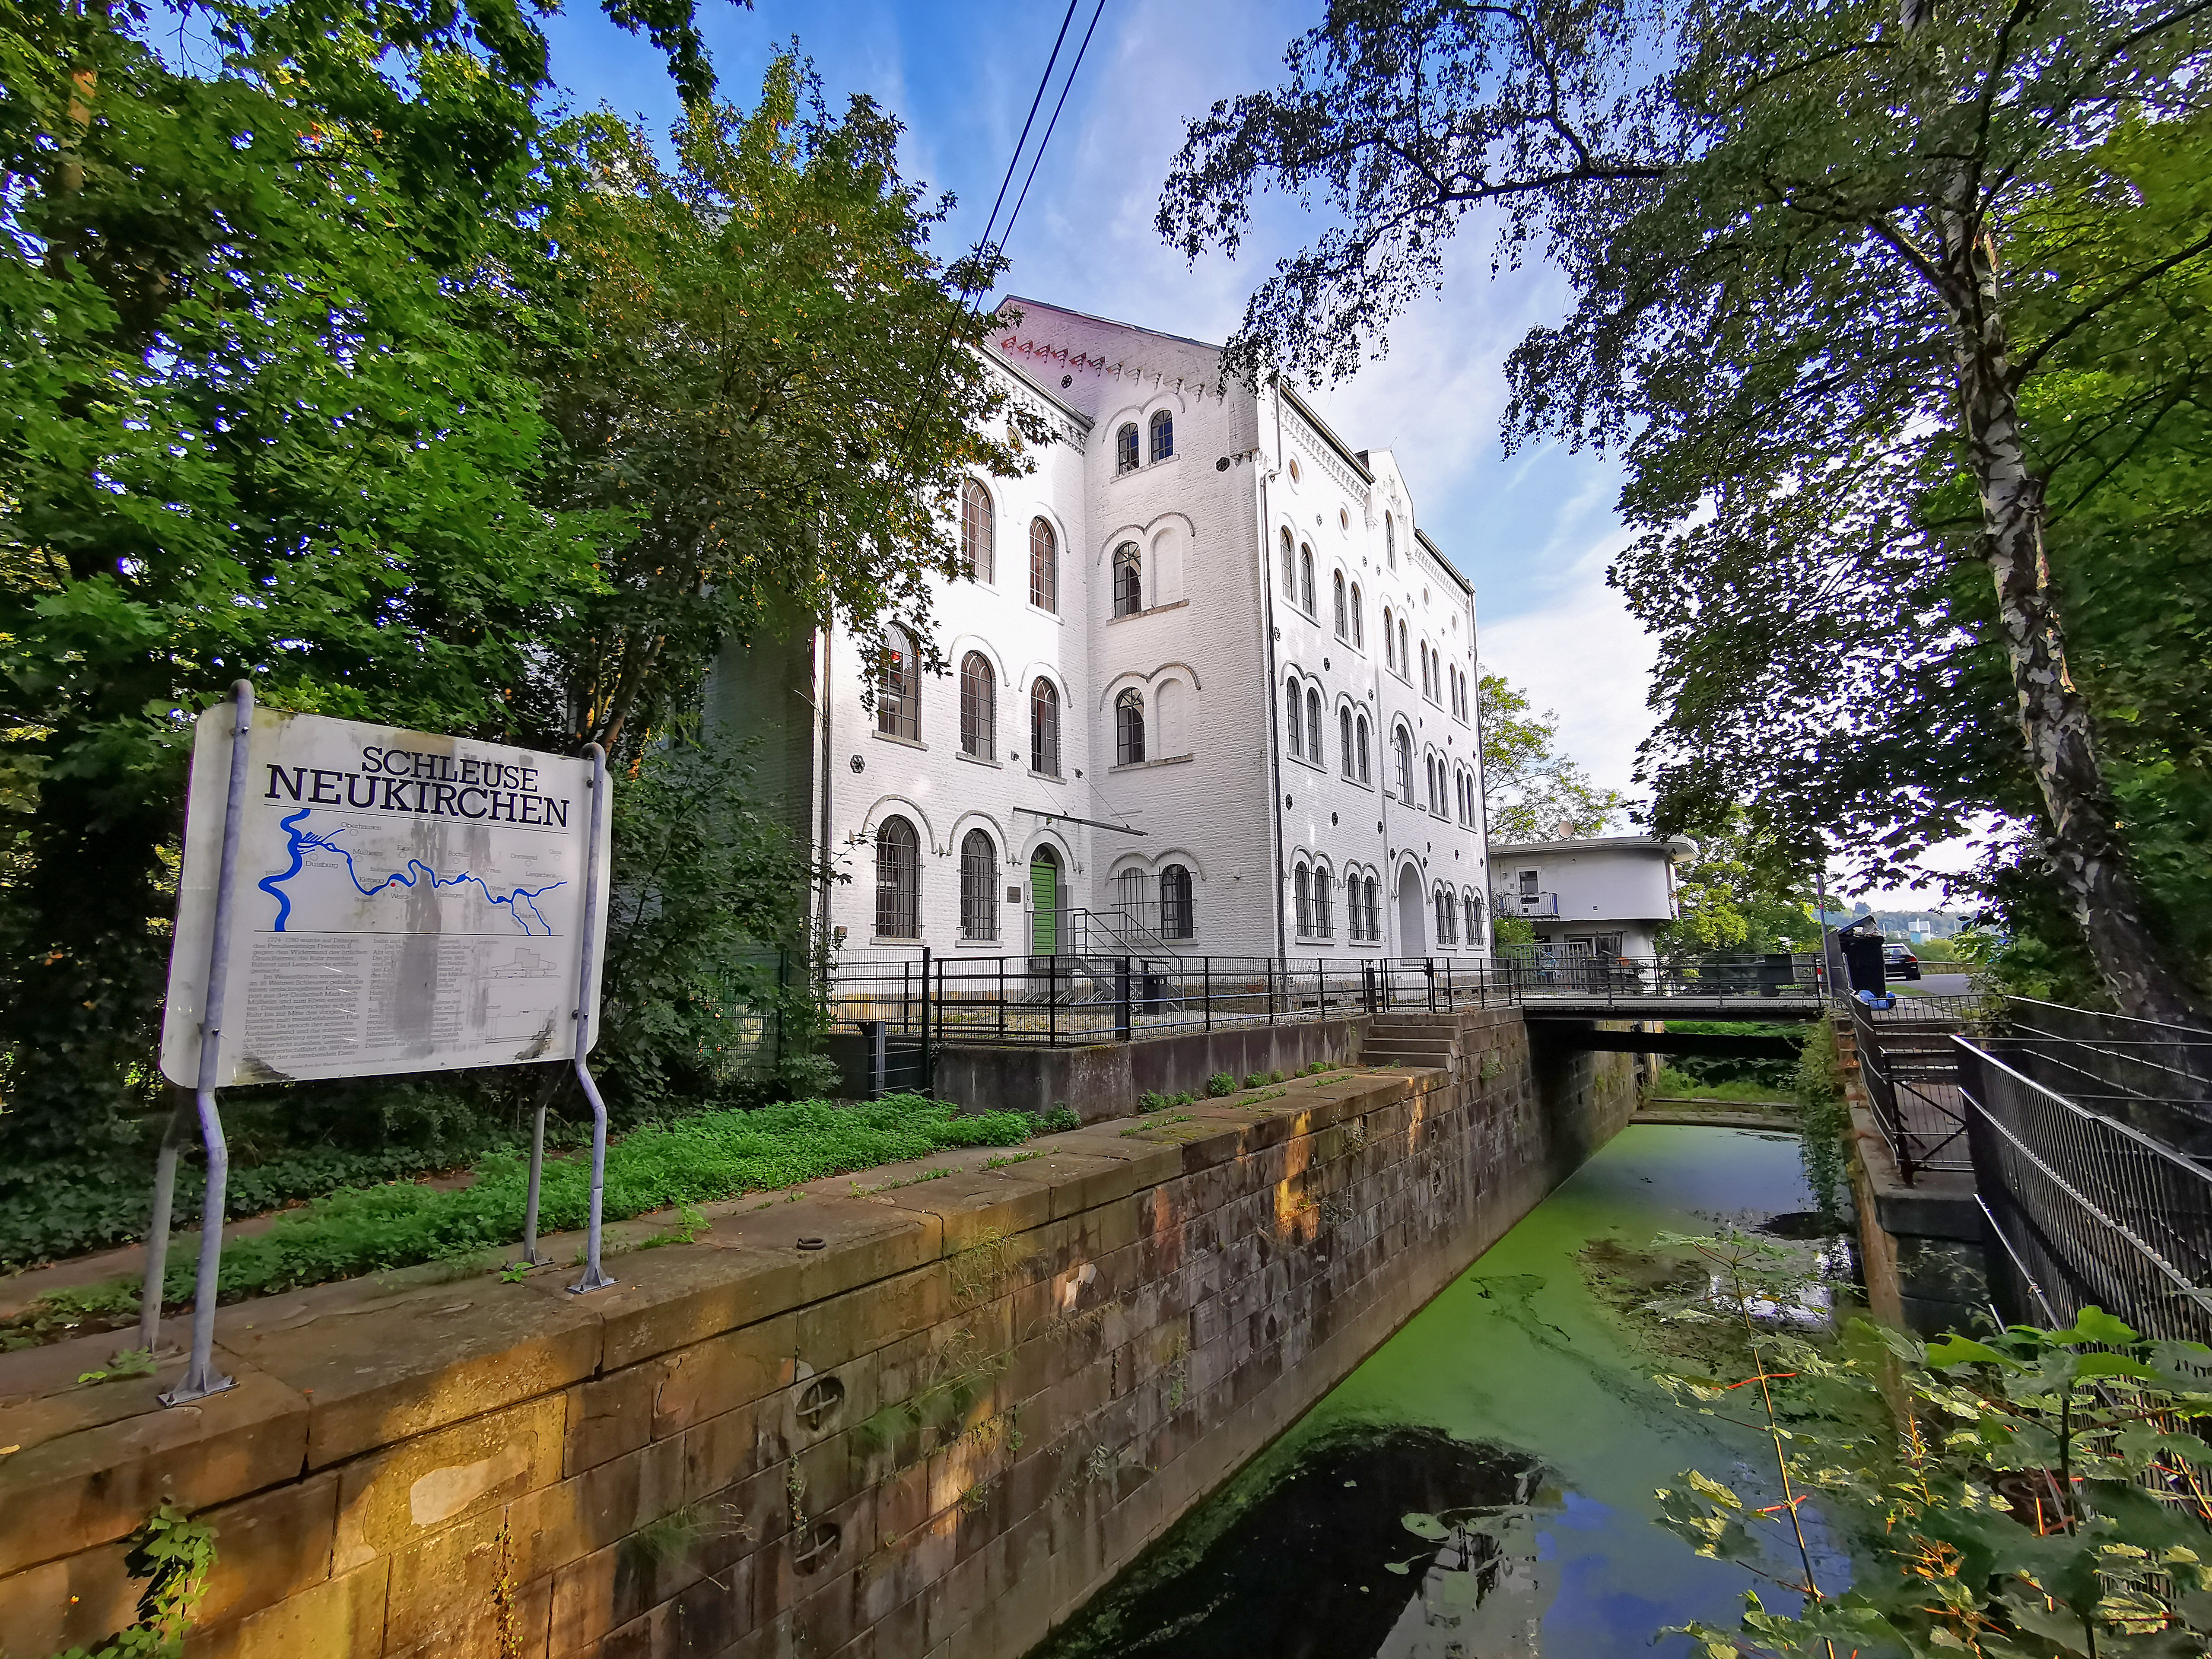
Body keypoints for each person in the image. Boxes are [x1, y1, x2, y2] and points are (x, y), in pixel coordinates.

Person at [1838, 919, 1888, 1001]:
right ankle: (1878, 995)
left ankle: (1866, 996)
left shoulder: (1851, 943)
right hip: (1870, 969)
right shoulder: (1873, 942)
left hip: (1859, 969)